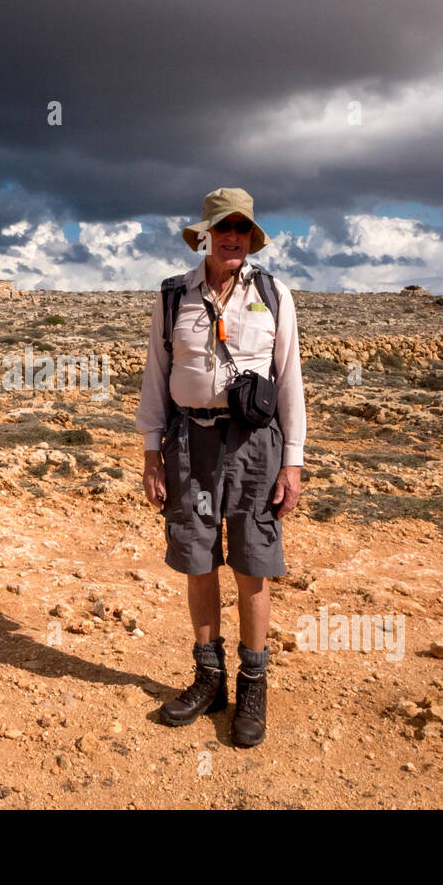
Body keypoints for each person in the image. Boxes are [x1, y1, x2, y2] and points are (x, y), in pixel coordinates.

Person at [135, 186, 305, 748]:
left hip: (256, 447)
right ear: (204, 235)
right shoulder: (170, 297)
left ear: (250, 238)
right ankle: (210, 678)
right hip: (188, 442)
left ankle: (254, 682)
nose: (232, 237)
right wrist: (150, 452)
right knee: (197, 557)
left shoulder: (274, 293)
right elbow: (155, 380)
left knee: (253, 561)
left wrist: (293, 464)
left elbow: (289, 384)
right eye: (222, 228)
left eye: (242, 230)